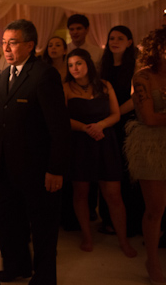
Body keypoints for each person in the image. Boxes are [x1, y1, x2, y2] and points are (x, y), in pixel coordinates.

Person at [0, 19, 70, 285]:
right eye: (4, 42)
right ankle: (17, 267)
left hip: (38, 169)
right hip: (7, 168)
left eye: (12, 43)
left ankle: (45, 277)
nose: (6, 48)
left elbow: (59, 127)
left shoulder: (43, 74)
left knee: (43, 229)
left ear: (30, 45)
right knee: (9, 224)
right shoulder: (4, 74)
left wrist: (55, 169)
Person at [63, 48, 136, 257]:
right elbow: (61, 118)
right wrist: (85, 128)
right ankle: (87, 236)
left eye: (78, 63)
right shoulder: (66, 88)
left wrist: (100, 125)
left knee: (113, 194)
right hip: (79, 143)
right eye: (70, 65)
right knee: (81, 193)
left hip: (105, 141)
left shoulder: (105, 85)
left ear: (88, 64)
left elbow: (115, 114)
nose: (74, 68)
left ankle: (123, 240)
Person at [124, 26, 166, 284]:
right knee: (156, 208)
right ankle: (152, 261)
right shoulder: (143, 77)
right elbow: (149, 118)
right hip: (152, 146)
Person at [99, 25, 142, 237]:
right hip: (108, 123)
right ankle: (110, 220)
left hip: (127, 124)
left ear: (130, 42)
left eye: (120, 38)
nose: (114, 41)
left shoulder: (135, 66)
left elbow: (136, 99)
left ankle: (132, 222)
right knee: (109, 171)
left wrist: (116, 114)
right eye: (112, 38)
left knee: (128, 173)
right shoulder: (103, 66)